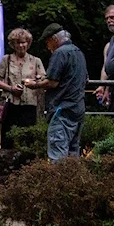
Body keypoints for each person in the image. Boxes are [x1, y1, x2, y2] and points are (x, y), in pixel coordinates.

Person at [23, 24, 88, 161]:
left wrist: (34, 84)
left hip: (62, 109)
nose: (47, 47)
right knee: (73, 155)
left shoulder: (60, 53)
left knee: (58, 157)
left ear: (54, 38)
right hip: (78, 110)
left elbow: (52, 82)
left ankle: (59, 182)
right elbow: (84, 78)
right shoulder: (78, 52)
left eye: (47, 42)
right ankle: (75, 182)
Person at [0, 28, 46, 147]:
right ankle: (6, 162)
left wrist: (36, 80)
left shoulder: (36, 61)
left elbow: (43, 79)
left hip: (29, 103)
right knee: (8, 137)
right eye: (18, 42)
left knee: (28, 138)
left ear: (28, 43)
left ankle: (27, 164)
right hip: (10, 103)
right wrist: (11, 88)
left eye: (23, 42)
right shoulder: (6, 59)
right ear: (13, 44)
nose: (21, 45)